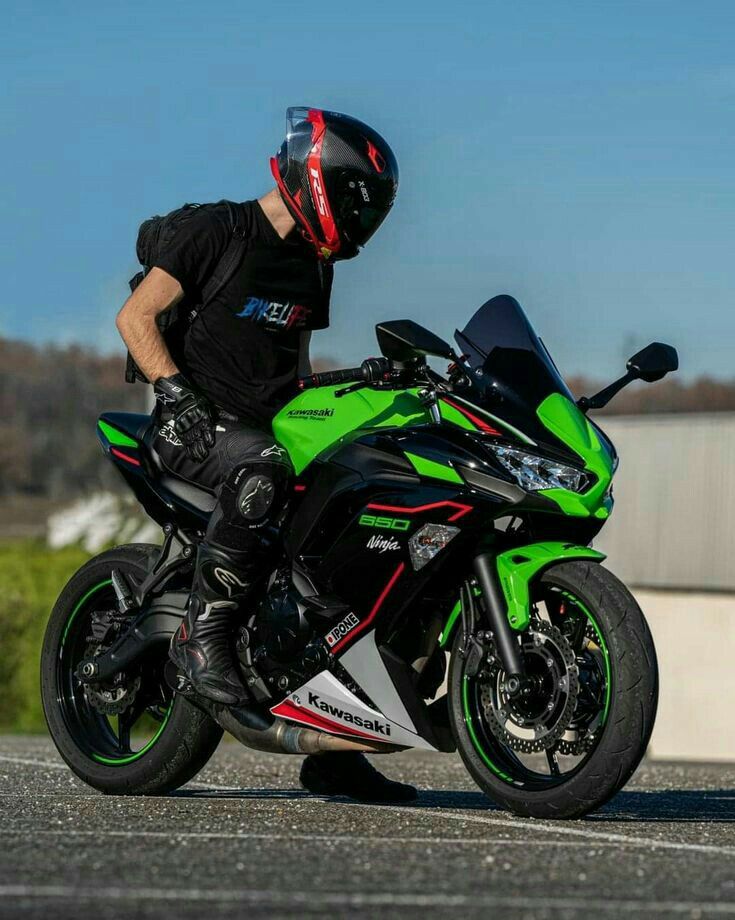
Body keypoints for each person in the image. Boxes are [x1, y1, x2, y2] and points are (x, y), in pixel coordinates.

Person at [115, 107, 416, 802]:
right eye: (355, 201)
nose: (361, 220)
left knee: (363, 510)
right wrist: (176, 394)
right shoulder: (215, 230)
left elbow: (298, 374)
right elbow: (136, 319)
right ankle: (206, 638)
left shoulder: (313, 268)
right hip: (193, 428)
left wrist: (361, 387)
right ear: (318, 178)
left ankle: (339, 744)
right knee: (263, 468)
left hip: (264, 432)